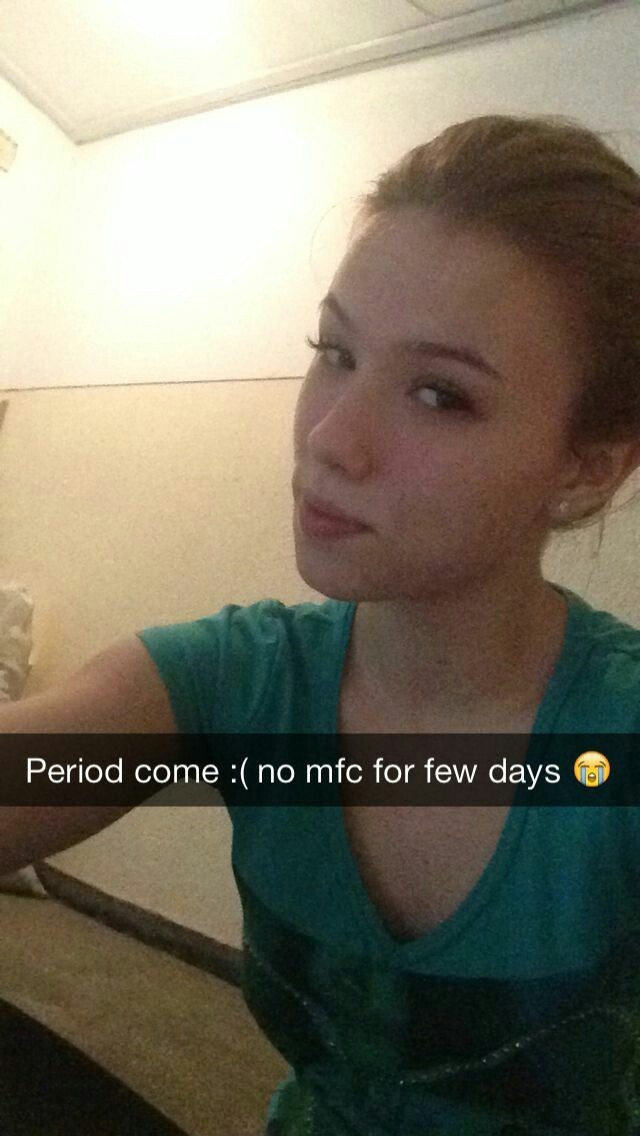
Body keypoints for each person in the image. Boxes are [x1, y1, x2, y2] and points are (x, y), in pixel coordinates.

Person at [1, 113, 640, 1135]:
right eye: (334, 352)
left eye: (439, 394)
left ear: (586, 467)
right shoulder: (241, 682)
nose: (331, 438)